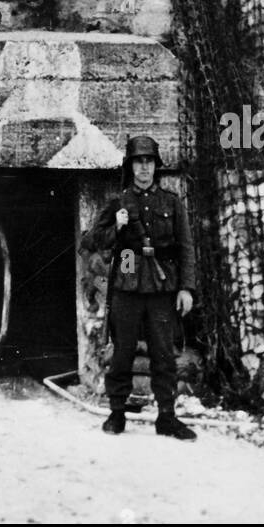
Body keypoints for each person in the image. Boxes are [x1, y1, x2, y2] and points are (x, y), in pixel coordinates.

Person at [82, 134, 197, 440]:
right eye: (138, 162)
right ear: (131, 166)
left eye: (148, 162)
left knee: (163, 354)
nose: (144, 168)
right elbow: (93, 241)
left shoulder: (171, 203)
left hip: (161, 287)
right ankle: (117, 413)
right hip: (128, 285)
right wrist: (117, 227)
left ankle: (167, 417)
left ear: (156, 167)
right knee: (122, 353)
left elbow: (185, 248)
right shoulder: (119, 202)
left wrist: (186, 288)